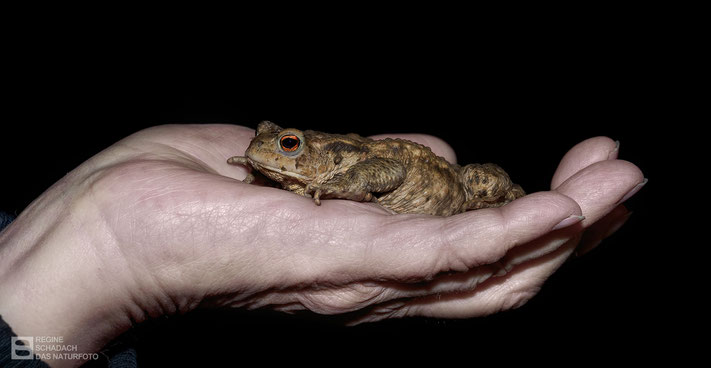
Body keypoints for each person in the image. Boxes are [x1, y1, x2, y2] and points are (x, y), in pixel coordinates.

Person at [0, 124, 645, 367]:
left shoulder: (347, 166)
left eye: (285, 144)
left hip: (440, 188)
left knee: (491, 184)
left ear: (313, 154)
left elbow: (387, 171)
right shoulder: (305, 162)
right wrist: (110, 247)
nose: (268, 149)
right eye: (269, 140)